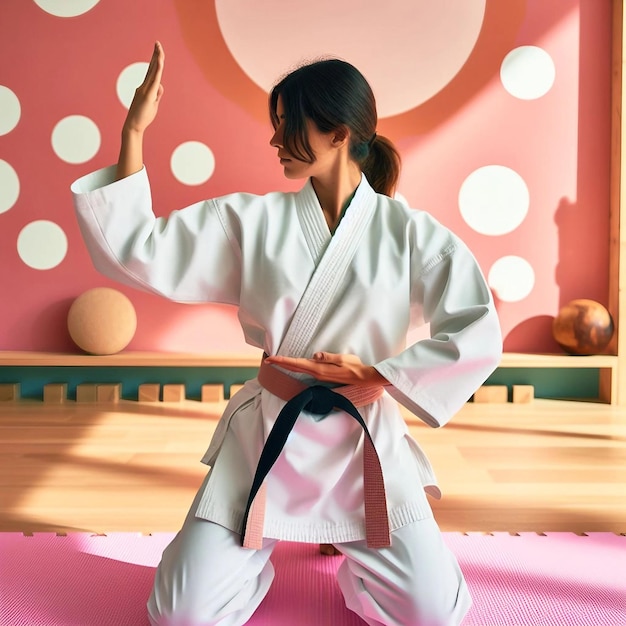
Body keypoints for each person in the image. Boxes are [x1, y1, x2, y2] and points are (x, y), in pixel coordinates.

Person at [71, 41, 502, 626]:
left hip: (362, 443)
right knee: (182, 615)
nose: (275, 142)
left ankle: (357, 560)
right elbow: (139, 248)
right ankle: (258, 559)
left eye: (288, 126)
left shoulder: (412, 235)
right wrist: (133, 133)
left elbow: (476, 327)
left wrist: (377, 374)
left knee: (434, 615)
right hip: (270, 436)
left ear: (338, 133)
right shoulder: (251, 222)